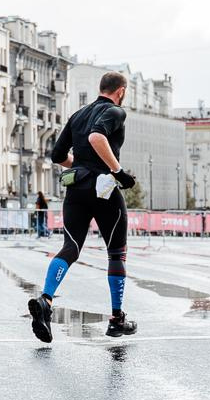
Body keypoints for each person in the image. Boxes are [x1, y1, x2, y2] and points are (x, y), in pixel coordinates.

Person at [27, 72, 139, 343]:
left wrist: (79, 166)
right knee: (116, 253)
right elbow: (96, 138)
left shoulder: (78, 114)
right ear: (121, 91)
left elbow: (57, 155)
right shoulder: (115, 111)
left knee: (71, 246)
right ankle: (116, 319)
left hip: (75, 188)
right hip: (103, 190)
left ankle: (46, 300)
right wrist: (118, 171)